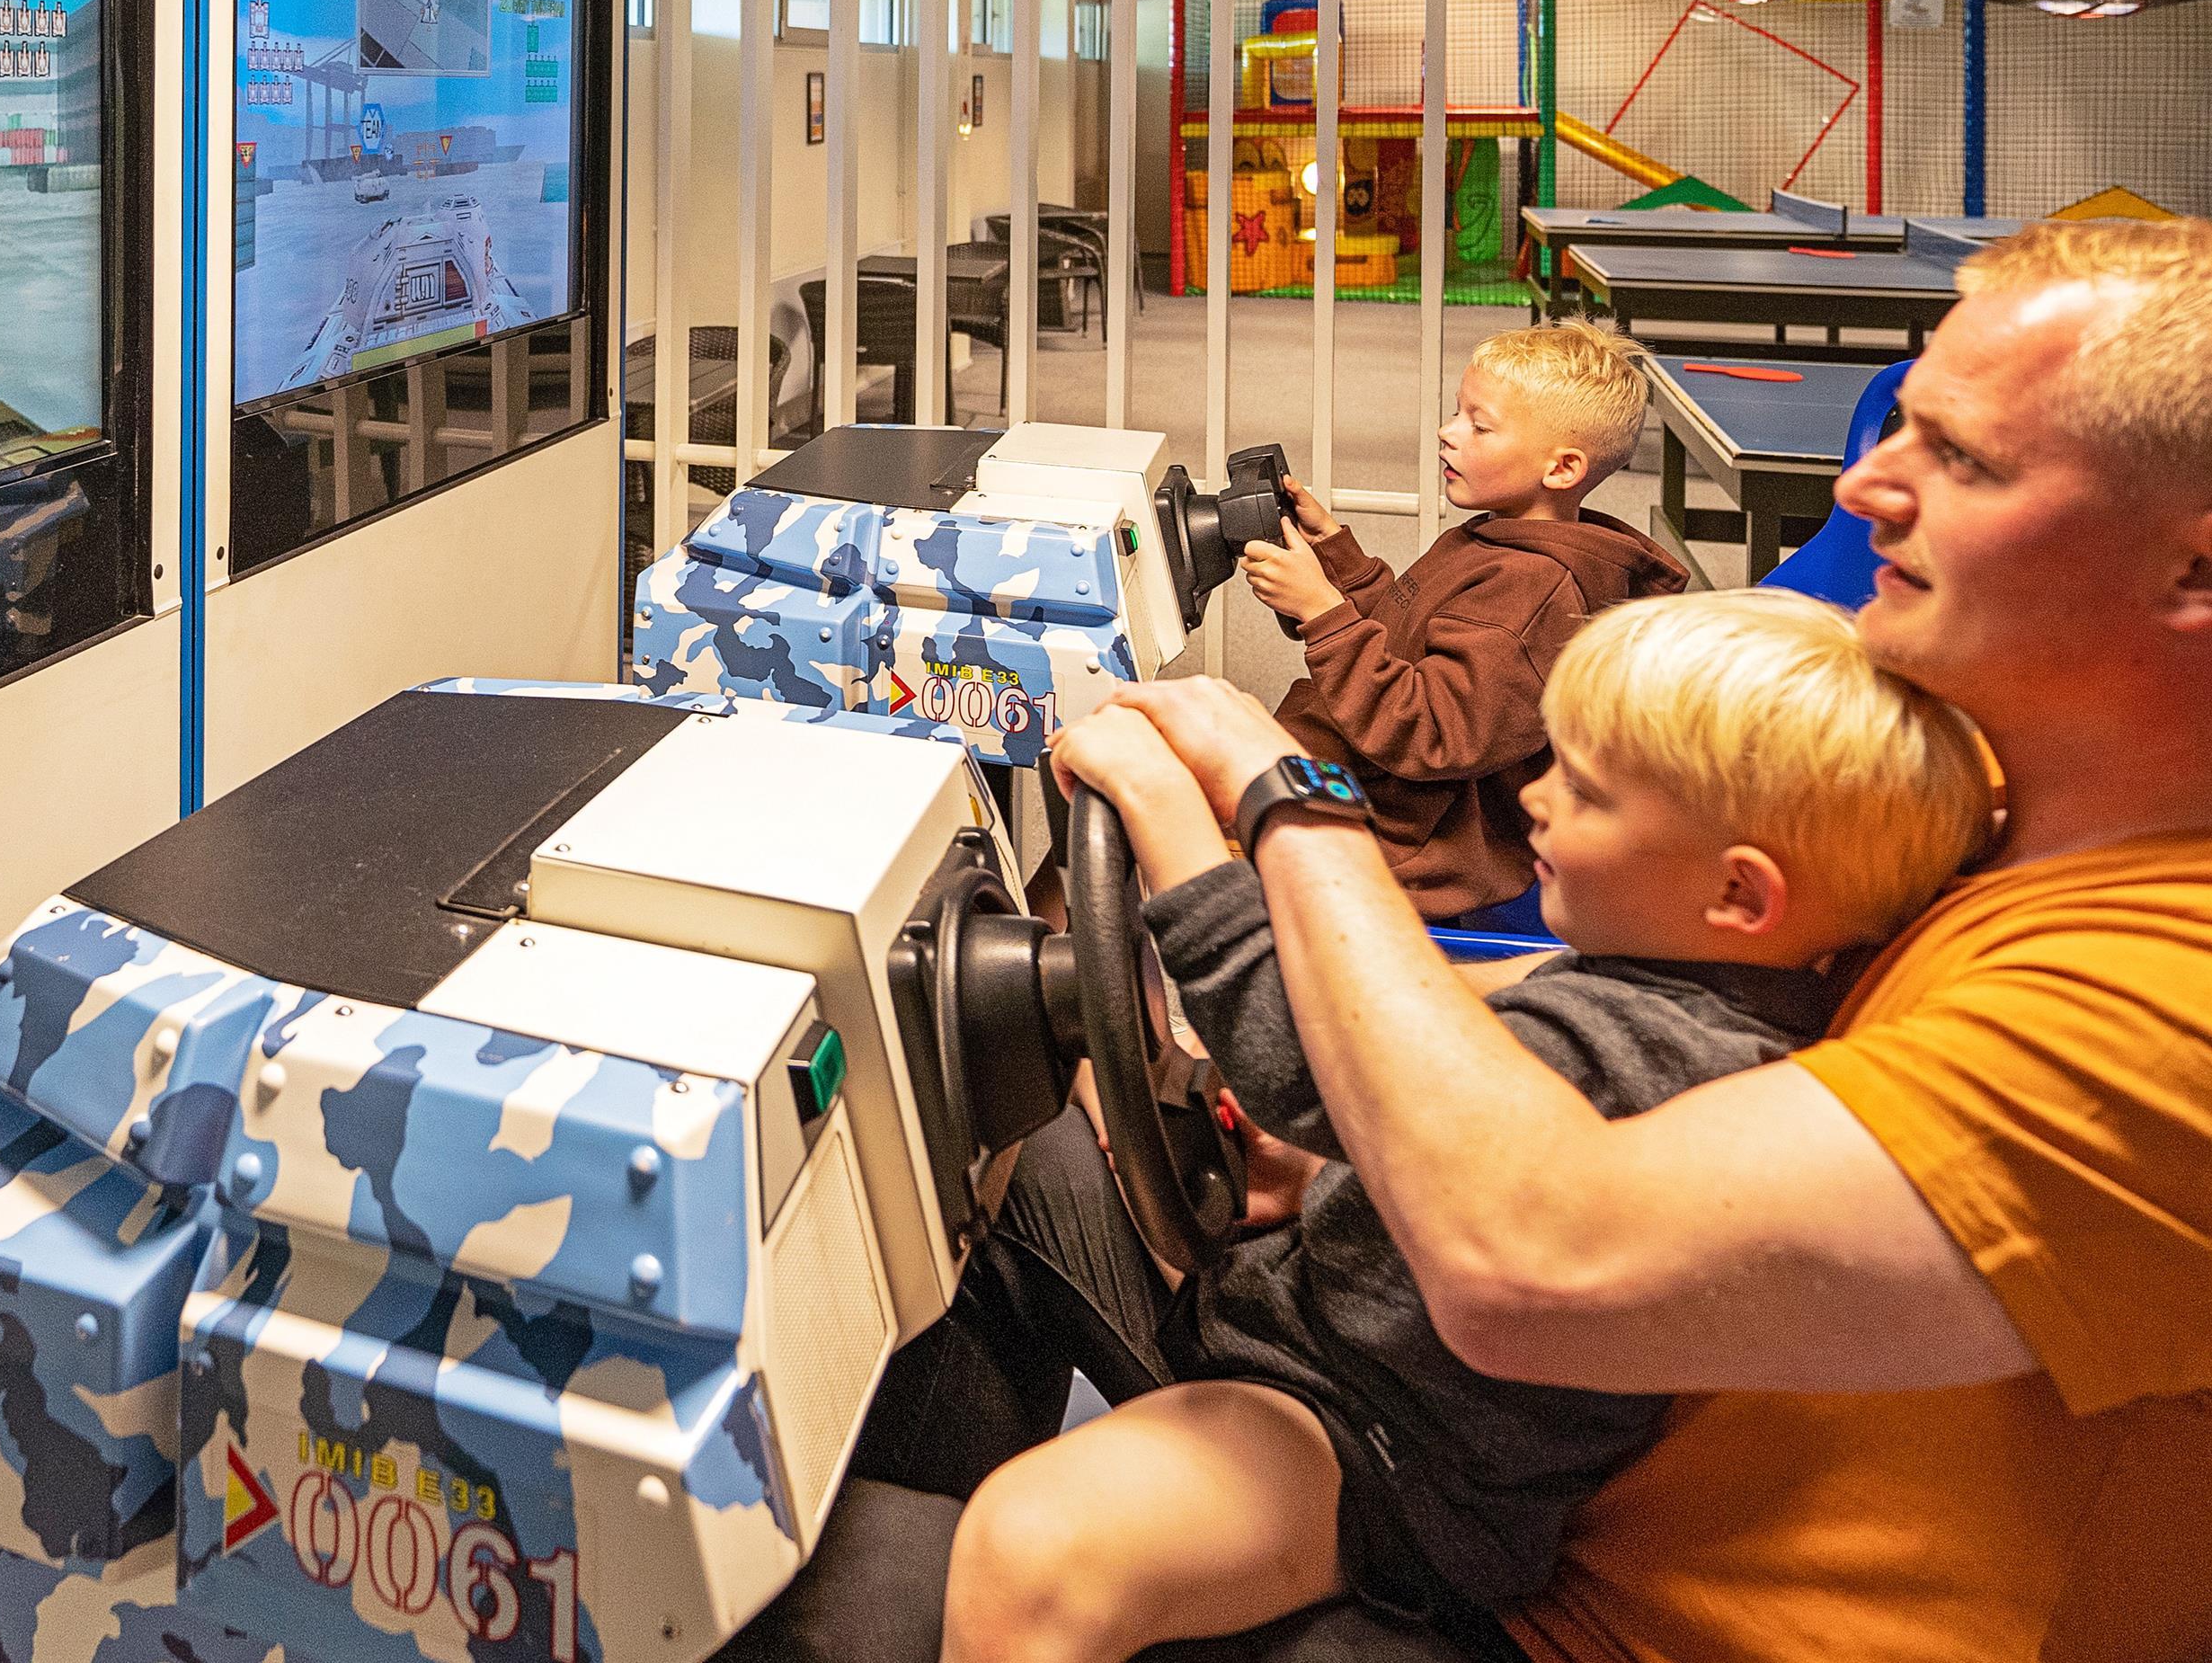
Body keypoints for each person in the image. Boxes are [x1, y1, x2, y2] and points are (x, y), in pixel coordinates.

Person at [1064, 218, 2212, 1661]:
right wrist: (1367, 1115)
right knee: (1027, 1171)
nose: (1863, 484)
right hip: (1546, 1496)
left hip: (1568, 1604)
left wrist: (1278, 799)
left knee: (956, 1563)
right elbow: (1676, 1025)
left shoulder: (2164, 991)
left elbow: (1524, 1260)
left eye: (1962, 458)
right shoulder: (1987, 800)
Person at [938, 591, 1993, 1663]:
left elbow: (1306, 1055)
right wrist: (1322, 1178)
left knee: (1032, 1551)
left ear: (1736, 894)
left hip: (1374, 1442)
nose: (1533, 797)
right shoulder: (1666, 979)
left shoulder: (1656, 1054)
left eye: (1585, 791)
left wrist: (1164, 810)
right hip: (1307, 1318)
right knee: (1021, 1151)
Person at [1236, 322, 1685, 920]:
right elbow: (1410, 639)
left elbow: (1429, 732)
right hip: (1372, 783)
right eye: (1456, 413)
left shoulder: (1531, 590)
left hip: (1407, 845)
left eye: (1480, 425)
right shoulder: (1501, 539)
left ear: (1561, 468)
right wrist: (1336, 558)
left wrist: (1323, 613)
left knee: (1170, 789)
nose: (1447, 432)